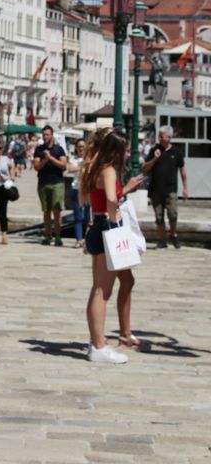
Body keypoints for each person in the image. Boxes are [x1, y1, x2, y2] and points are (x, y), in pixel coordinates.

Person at [80, 128, 145, 363]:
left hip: (95, 226)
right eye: (126, 150)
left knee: (97, 289)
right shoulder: (107, 170)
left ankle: (95, 341)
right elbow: (110, 198)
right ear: (116, 151)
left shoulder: (94, 167)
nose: (128, 154)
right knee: (102, 292)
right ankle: (99, 346)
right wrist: (115, 216)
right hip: (107, 227)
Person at [142, 125, 189, 249]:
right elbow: (145, 168)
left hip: (171, 189)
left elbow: (182, 171)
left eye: (162, 136)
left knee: (173, 214)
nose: (159, 138)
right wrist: (155, 159)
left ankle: (173, 234)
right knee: (159, 216)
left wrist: (185, 188)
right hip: (155, 190)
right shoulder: (154, 150)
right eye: (159, 136)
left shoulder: (177, 152)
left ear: (169, 137)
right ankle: (162, 240)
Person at [33, 125, 68, 246]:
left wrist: (51, 158)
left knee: (57, 211)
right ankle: (48, 236)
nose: (45, 136)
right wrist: (44, 160)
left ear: (52, 135)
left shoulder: (59, 149)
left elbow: (63, 165)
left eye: (47, 134)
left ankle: (58, 236)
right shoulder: (39, 150)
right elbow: (36, 167)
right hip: (43, 183)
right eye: (43, 134)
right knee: (46, 211)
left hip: (57, 182)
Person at [66, 138, 90, 249]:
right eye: (79, 146)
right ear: (76, 148)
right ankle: (79, 239)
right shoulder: (73, 158)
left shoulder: (90, 158)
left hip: (88, 189)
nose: (81, 148)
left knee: (88, 216)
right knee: (77, 215)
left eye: (83, 146)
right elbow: (70, 169)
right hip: (76, 188)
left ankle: (88, 239)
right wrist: (83, 166)